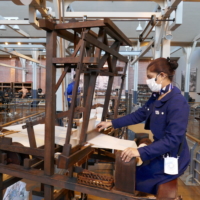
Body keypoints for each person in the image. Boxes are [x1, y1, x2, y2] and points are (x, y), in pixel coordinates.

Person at [97, 57, 190, 195]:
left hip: (172, 156)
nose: (147, 81)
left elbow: (172, 140)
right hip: (159, 150)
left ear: (162, 75)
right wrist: (112, 123)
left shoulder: (177, 102)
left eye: (150, 77)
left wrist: (139, 152)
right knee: (131, 174)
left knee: (134, 178)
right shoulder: (157, 96)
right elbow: (140, 114)